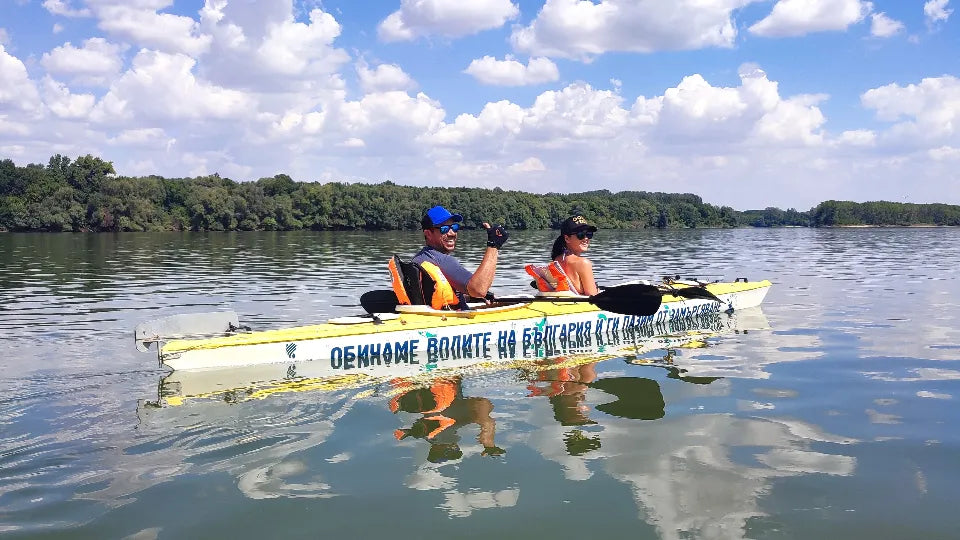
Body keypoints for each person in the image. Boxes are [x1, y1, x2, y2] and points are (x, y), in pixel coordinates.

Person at [412, 205, 508, 302]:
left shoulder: (418, 259)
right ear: (428, 234)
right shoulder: (442, 260)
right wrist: (493, 244)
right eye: (444, 229)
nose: (452, 233)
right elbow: (479, 289)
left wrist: (470, 297)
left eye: (454, 227)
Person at [548, 214, 599, 296]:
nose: (586, 238)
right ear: (567, 238)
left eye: (589, 234)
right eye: (581, 235)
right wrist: (597, 289)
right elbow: (593, 297)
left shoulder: (557, 260)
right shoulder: (583, 263)